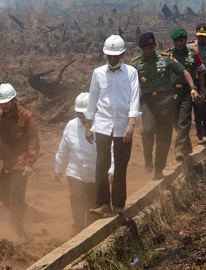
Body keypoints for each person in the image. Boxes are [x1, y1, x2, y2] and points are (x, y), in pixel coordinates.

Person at [85, 35, 141, 214]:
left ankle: (118, 204)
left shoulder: (131, 72)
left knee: (120, 165)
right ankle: (102, 203)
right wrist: (88, 124)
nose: (112, 59)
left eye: (116, 56)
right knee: (101, 163)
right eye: (109, 56)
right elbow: (92, 99)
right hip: (102, 123)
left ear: (123, 55)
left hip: (123, 125)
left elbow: (134, 99)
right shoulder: (98, 73)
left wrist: (131, 124)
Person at [132, 32, 198, 180]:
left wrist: (193, 87)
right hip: (148, 102)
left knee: (164, 137)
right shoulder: (136, 64)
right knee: (148, 130)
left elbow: (184, 71)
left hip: (166, 101)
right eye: (144, 48)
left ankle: (158, 169)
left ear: (155, 44)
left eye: (150, 46)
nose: (148, 50)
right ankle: (147, 157)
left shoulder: (166, 59)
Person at [54, 93, 114, 231]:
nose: (82, 117)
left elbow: (111, 149)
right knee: (76, 199)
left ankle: (91, 233)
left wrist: (112, 169)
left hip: (96, 175)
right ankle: (78, 228)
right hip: (76, 172)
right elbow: (63, 148)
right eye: (79, 114)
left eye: (84, 114)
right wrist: (58, 167)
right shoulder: (71, 126)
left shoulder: (104, 125)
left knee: (92, 208)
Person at [0, 83, 40, 237]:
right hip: (3, 161)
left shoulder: (26, 116)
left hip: (20, 162)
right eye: (0, 103)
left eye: (5, 102)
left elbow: (33, 141)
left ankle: (17, 229)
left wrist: (30, 163)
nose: (3, 105)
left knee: (16, 196)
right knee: (0, 193)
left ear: (13, 100)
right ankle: (20, 211)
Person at [165, 26, 205, 161]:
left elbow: (201, 71)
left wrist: (201, 89)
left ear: (185, 40)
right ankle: (187, 146)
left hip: (188, 91)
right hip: (172, 91)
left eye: (181, 41)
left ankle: (179, 149)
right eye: (176, 41)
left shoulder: (193, 54)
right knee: (175, 122)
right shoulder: (168, 55)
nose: (179, 44)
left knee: (184, 120)